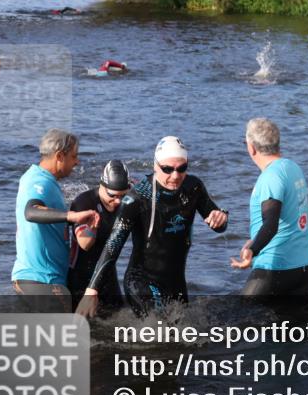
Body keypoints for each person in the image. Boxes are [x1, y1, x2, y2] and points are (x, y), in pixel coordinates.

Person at [76, 136, 229, 318]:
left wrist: (221, 218)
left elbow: (218, 225)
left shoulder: (193, 187)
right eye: (167, 169)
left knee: (184, 330)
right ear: (155, 166)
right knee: (160, 328)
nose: (175, 175)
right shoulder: (137, 198)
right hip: (141, 281)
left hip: (176, 280)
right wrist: (92, 290)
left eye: (182, 168)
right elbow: (113, 244)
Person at [13, 129, 99, 311]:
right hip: (41, 280)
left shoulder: (37, 178)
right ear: (60, 156)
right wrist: (71, 216)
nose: (77, 162)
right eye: (73, 156)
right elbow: (31, 212)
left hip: (37, 279)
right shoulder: (39, 182)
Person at [230, 118, 308, 296]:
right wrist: (255, 240)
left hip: (275, 268)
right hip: (304, 268)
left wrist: (252, 250)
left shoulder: (270, 177)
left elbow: (271, 224)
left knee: (239, 313)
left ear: (251, 147)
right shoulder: (292, 167)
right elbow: (288, 216)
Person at [67, 160, 132, 311]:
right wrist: (93, 228)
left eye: (122, 195)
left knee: (118, 319)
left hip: (107, 274)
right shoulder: (84, 202)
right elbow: (85, 244)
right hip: (80, 275)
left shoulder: (127, 202)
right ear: (102, 185)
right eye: (112, 195)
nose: (118, 201)